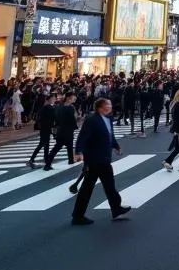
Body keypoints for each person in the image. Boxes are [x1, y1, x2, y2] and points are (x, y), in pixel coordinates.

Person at [71, 98, 131, 226]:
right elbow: (83, 136)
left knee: (109, 185)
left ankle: (116, 208)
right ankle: (77, 216)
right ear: (99, 107)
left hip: (104, 158)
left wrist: (116, 146)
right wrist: (78, 152)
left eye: (110, 104)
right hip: (93, 159)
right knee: (87, 188)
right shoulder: (92, 119)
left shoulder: (108, 119)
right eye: (107, 105)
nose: (109, 106)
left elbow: (110, 135)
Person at [45, 93, 78, 170]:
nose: (74, 98)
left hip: (60, 129)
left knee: (63, 146)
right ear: (68, 98)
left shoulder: (58, 106)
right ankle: (48, 163)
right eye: (73, 97)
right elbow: (73, 119)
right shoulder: (70, 108)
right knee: (62, 146)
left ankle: (70, 160)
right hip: (68, 129)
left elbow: (55, 118)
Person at [27, 93, 56, 168]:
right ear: (49, 99)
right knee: (43, 144)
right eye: (53, 98)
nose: (54, 100)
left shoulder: (45, 107)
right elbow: (53, 117)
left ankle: (46, 161)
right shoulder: (48, 107)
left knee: (45, 145)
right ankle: (32, 159)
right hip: (46, 128)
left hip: (45, 128)